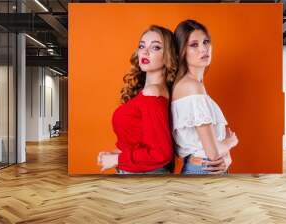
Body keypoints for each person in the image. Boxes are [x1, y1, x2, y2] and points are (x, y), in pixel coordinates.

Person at [97, 25, 177, 174]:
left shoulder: (153, 93)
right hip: (136, 173)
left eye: (156, 47)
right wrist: (117, 154)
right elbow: (140, 142)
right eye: (142, 46)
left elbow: (161, 153)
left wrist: (117, 160)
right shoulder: (147, 92)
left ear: (168, 56)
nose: (145, 52)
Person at [171, 19, 238, 174]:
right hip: (204, 168)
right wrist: (231, 142)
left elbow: (210, 147)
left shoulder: (191, 85)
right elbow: (212, 153)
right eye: (194, 44)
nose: (204, 49)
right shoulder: (192, 87)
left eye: (206, 42)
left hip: (204, 166)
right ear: (182, 51)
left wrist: (227, 157)